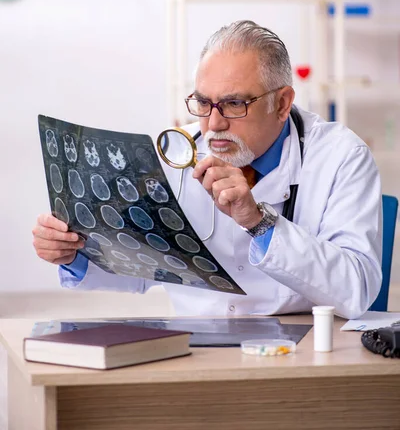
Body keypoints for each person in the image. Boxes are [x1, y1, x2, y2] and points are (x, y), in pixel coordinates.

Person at [33, 20, 382, 319]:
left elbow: (357, 289)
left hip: (304, 345)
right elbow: (145, 266)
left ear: (282, 103)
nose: (213, 123)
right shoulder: (173, 152)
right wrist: (74, 252)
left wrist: (257, 222)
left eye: (234, 104)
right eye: (202, 102)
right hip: (195, 344)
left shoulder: (340, 156)